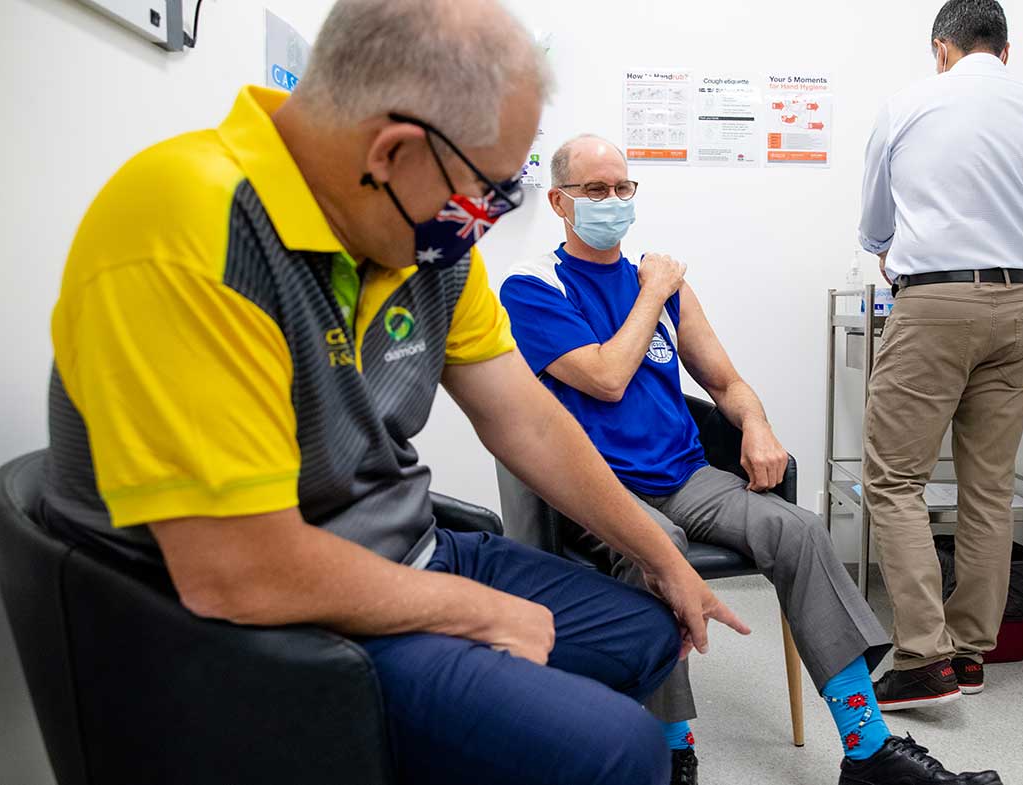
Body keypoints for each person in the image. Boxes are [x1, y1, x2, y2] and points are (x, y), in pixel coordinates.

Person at [41, 2, 751, 783]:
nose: (484, 221)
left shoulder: (429, 241)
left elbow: (530, 422)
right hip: (265, 618)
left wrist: (661, 555)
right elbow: (237, 569)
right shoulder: (188, 224)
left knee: (647, 630)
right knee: (621, 747)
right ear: (392, 151)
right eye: (487, 192)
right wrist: (475, 611)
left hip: (410, 548)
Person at [498, 134, 1004, 785]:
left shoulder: (667, 287)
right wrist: (652, 292)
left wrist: (758, 424)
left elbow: (727, 383)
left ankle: (868, 747)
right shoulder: (534, 286)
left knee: (800, 531)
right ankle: (671, 750)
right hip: (596, 489)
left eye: (624, 187)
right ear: (559, 202)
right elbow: (605, 378)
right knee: (660, 546)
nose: (614, 200)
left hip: (686, 476)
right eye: (596, 189)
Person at [857, 0, 1023, 709]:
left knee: (895, 480)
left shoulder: (909, 104)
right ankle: (971, 652)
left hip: (936, 302)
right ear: (1005, 51)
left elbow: (876, 223)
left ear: (941, 48)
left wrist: (893, 249)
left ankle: (924, 657)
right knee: (989, 487)